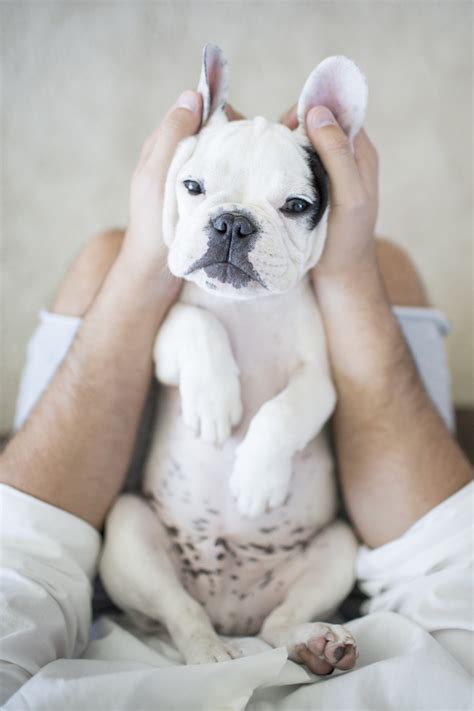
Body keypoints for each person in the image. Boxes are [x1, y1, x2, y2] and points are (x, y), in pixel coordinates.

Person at [0, 90, 472, 709]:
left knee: (335, 548)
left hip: (290, 570)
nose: (230, 228)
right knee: (128, 522)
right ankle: (189, 626)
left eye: (294, 205)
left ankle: (282, 627)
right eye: (197, 190)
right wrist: (197, 338)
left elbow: (315, 386)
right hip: (168, 560)